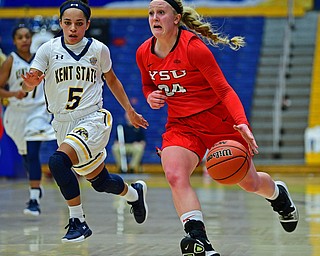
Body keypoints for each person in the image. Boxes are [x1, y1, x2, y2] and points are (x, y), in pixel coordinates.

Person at [136, 1, 299, 255]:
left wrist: (242, 123)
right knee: (175, 175)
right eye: (151, 13)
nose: (154, 18)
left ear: (176, 18)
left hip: (218, 121)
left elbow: (224, 89)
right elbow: (147, 85)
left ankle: (278, 195)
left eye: (161, 13)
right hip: (181, 124)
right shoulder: (143, 52)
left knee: (250, 183)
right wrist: (150, 96)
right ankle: (199, 241)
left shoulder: (194, 48)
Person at [21, 0, 149, 243]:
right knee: (100, 182)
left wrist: (130, 110)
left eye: (79, 24)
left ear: (87, 25)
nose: (72, 29)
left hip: (92, 120)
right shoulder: (47, 49)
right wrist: (30, 82)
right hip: (62, 124)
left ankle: (78, 221)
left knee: (58, 162)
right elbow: (29, 83)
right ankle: (134, 193)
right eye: (67, 23)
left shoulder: (98, 50)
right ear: (60, 23)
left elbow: (112, 81)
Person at [0, 24, 56, 216]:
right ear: (14, 41)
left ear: (31, 39)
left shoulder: (41, 61)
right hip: (16, 113)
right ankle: (36, 187)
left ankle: (33, 198)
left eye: (27, 36)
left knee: (33, 152)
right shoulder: (10, 61)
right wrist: (13, 93)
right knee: (25, 154)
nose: (24, 40)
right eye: (20, 37)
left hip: (38, 111)